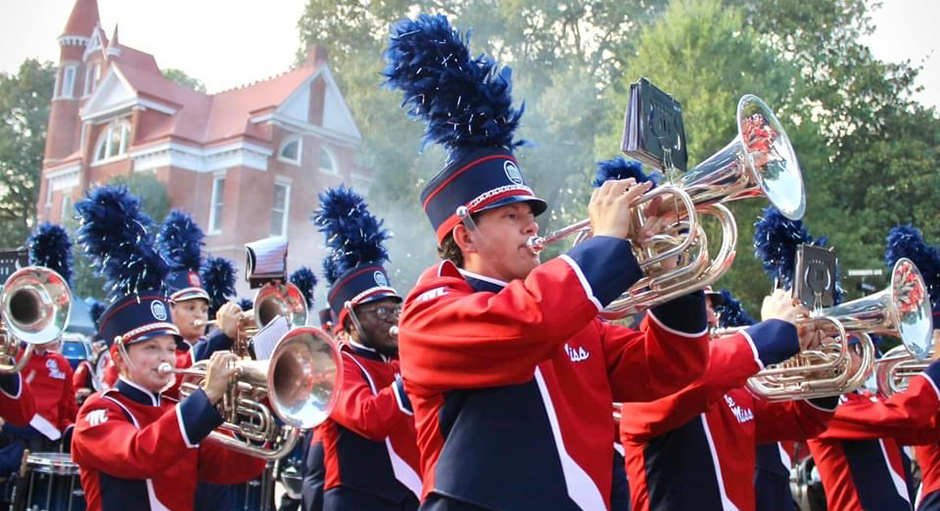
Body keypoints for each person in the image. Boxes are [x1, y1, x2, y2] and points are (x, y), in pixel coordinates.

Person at [385, 15, 710, 510]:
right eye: (512, 215)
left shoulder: (572, 314)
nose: (532, 226)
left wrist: (669, 263)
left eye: (532, 215)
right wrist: (605, 245)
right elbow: (525, 322)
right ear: (464, 231)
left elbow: (668, 369)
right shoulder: (429, 310)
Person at [71, 184, 266, 511]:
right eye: (150, 348)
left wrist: (267, 405)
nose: (164, 357)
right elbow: (140, 454)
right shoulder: (99, 411)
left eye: (168, 347)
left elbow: (234, 468)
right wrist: (205, 398)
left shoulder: (175, 410)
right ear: (119, 356)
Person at [620, 287, 836, 511]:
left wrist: (822, 369)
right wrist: (774, 331)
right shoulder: (643, 374)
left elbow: (800, 421)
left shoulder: (732, 385)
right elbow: (698, 379)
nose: (713, 317)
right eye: (702, 306)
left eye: (712, 307)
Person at [312, 186, 421, 511]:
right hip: (356, 500)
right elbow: (367, 417)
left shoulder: (400, 360)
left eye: (394, 309)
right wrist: (417, 371)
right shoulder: (335, 365)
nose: (392, 318)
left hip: (408, 496)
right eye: (380, 312)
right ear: (349, 323)